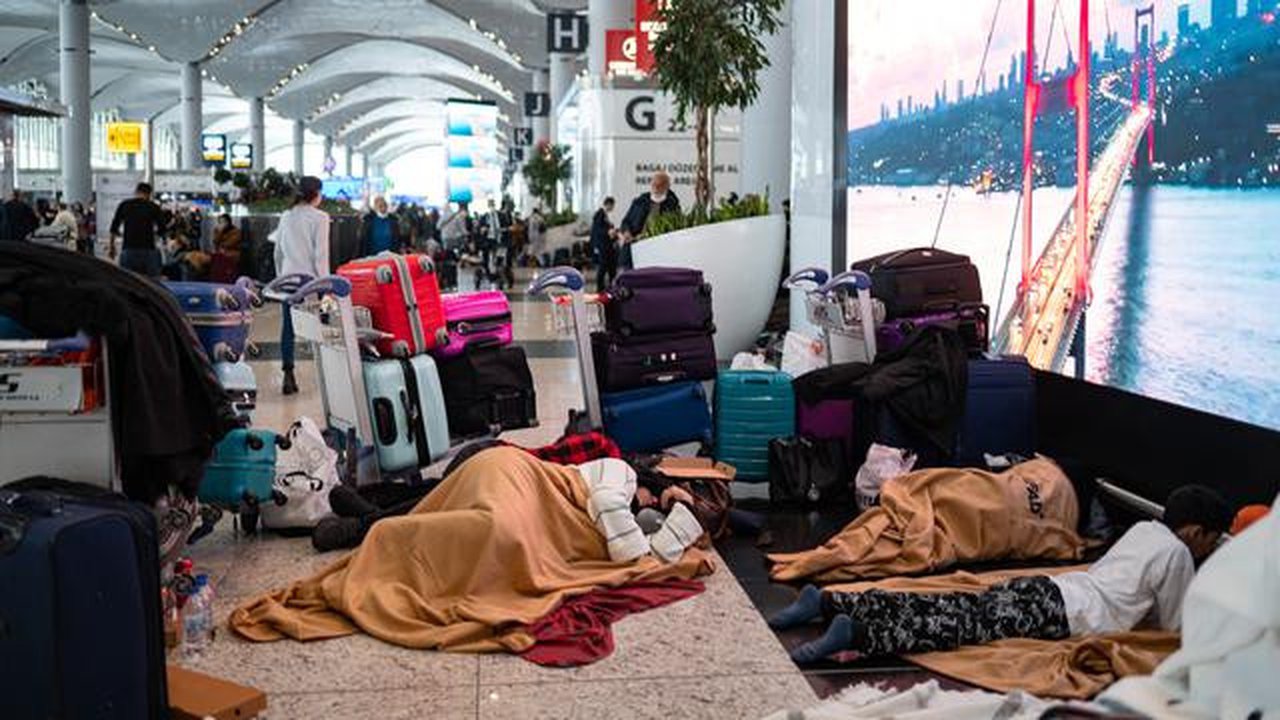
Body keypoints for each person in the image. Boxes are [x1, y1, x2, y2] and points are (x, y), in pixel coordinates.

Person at [771, 484, 1235, 664]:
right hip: (1063, 612)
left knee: (953, 604)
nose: (1209, 549)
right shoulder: (1176, 553)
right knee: (954, 624)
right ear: (1195, 531)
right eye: (1212, 540)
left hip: (1054, 588)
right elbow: (1176, 627)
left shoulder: (1143, 529)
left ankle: (833, 601)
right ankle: (857, 632)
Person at [272, 176, 330, 395]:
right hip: (310, 282)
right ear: (316, 194)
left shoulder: (287, 216)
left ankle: (288, 374)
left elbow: (277, 251)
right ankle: (325, 379)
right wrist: (325, 287)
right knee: (320, 328)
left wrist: (281, 278)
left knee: (288, 328)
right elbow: (320, 256)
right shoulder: (321, 218)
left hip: (288, 280)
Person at [617, 171, 681, 270]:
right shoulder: (639, 202)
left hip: (658, 252)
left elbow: (675, 230)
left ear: (667, 186)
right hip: (634, 249)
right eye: (653, 184)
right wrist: (626, 232)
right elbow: (626, 221)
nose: (655, 187)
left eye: (660, 185)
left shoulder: (673, 205)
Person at [109, 183, 167, 276]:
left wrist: (112, 247)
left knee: (128, 282)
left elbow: (114, 227)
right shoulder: (153, 207)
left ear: (136, 192)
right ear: (149, 194)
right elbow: (163, 230)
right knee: (151, 284)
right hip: (148, 250)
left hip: (128, 250)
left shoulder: (124, 205)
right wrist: (155, 237)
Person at [590, 197, 617, 292]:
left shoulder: (605, 215)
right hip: (602, 246)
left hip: (608, 246)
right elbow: (597, 230)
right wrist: (608, 231)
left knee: (611, 267)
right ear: (608, 204)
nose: (613, 208)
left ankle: (611, 286)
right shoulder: (599, 214)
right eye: (612, 205)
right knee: (603, 267)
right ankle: (600, 288)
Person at [209, 213, 243, 283]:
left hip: (232, 253)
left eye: (224, 222)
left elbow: (230, 243)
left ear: (229, 222)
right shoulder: (217, 230)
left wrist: (222, 246)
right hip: (220, 253)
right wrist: (220, 232)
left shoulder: (236, 231)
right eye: (220, 222)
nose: (222, 224)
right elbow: (215, 242)